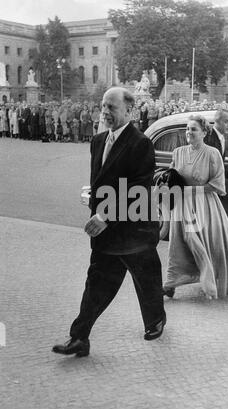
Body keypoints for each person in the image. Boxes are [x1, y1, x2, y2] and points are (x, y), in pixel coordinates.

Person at [52, 87, 166, 357]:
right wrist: (94, 204)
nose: (105, 112)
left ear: (129, 111)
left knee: (146, 280)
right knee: (96, 284)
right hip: (108, 233)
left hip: (135, 230)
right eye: (103, 106)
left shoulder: (141, 143)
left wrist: (104, 215)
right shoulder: (98, 141)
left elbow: (137, 190)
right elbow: (101, 182)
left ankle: (156, 320)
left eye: (111, 107)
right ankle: (79, 337)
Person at [163, 114, 228, 299]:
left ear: (204, 132)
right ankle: (171, 283)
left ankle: (209, 280)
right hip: (181, 206)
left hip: (204, 205)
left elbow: (218, 185)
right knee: (177, 245)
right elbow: (171, 176)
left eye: (194, 129)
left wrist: (190, 191)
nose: (189, 132)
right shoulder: (178, 152)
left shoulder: (212, 153)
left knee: (198, 241)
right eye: (187, 129)